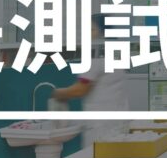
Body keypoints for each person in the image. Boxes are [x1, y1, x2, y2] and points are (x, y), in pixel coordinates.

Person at [52, 14, 129, 145]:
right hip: (118, 118)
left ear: (103, 32)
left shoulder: (96, 57)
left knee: (96, 155)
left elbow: (80, 90)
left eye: (92, 30)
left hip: (100, 123)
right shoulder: (115, 54)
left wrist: (58, 93)